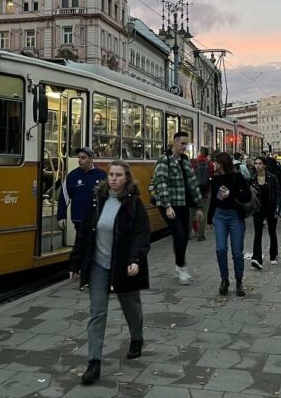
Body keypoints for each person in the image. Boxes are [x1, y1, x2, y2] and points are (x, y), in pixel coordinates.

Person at [68, 160, 150, 385]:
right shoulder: (97, 201)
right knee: (97, 313)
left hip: (123, 266)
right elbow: (84, 233)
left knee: (131, 307)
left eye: (118, 175)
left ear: (126, 179)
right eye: (111, 175)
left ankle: (136, 338)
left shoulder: (134, 204)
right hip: (98, 265)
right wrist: (74, 264)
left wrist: (135, 260)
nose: (113, 178)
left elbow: (142, 235)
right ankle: (94, 363)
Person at [150, 131, 204, 284]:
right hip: (169, 205)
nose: (185, 147)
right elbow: (161, 183)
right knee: (179, 234)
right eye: (182, 143)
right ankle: (181, 267)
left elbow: (193, 184)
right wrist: (167, 205)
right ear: (174, 142)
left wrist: (199, 206)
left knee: (185, 235)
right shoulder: (164, 160)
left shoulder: (185, 161)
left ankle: (179, 265)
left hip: (183, 204)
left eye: (187, 144)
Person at [207, 151, 251, 297]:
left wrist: (230, 195)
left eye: (215, 162)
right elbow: (214, 199)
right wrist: (209, 219)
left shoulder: (237, 177)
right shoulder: (215, 178)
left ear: (221, 163)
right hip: (219, 216)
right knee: (220, 249)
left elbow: (247, 195)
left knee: (237, 252)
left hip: (235, 217)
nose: (213, 164)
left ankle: (239, 281)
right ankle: (224, 280)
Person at [58, 147, 107, 233]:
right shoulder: (72, 176)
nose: (80, 160)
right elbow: (64, 197)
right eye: (79, 158)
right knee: (81, 244)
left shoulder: (101, 175)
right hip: (79, 219)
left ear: (91, 159)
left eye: (83, 158)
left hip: (97, 219)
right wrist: (61, 216)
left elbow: (107, 196)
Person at [250, 156, 281, 269]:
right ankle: (256, 258)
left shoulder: (272, 178)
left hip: (271, 208)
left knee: (272, 232)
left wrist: (278, 208)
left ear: (264, 165)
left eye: (259, 163)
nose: (257, 165)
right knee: (257, 233)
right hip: (258, 210)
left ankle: (274, 255)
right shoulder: (252, 179)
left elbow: (278, 193)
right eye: (256, 163)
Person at [191, 146, 211, 241]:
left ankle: (188, 235)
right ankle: (201, 235)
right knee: (203, 213)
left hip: (193, 191)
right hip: (205, 192)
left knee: (191, 213)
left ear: (199, 152)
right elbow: (211, 176)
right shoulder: (209, 163)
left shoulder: (193, 162)